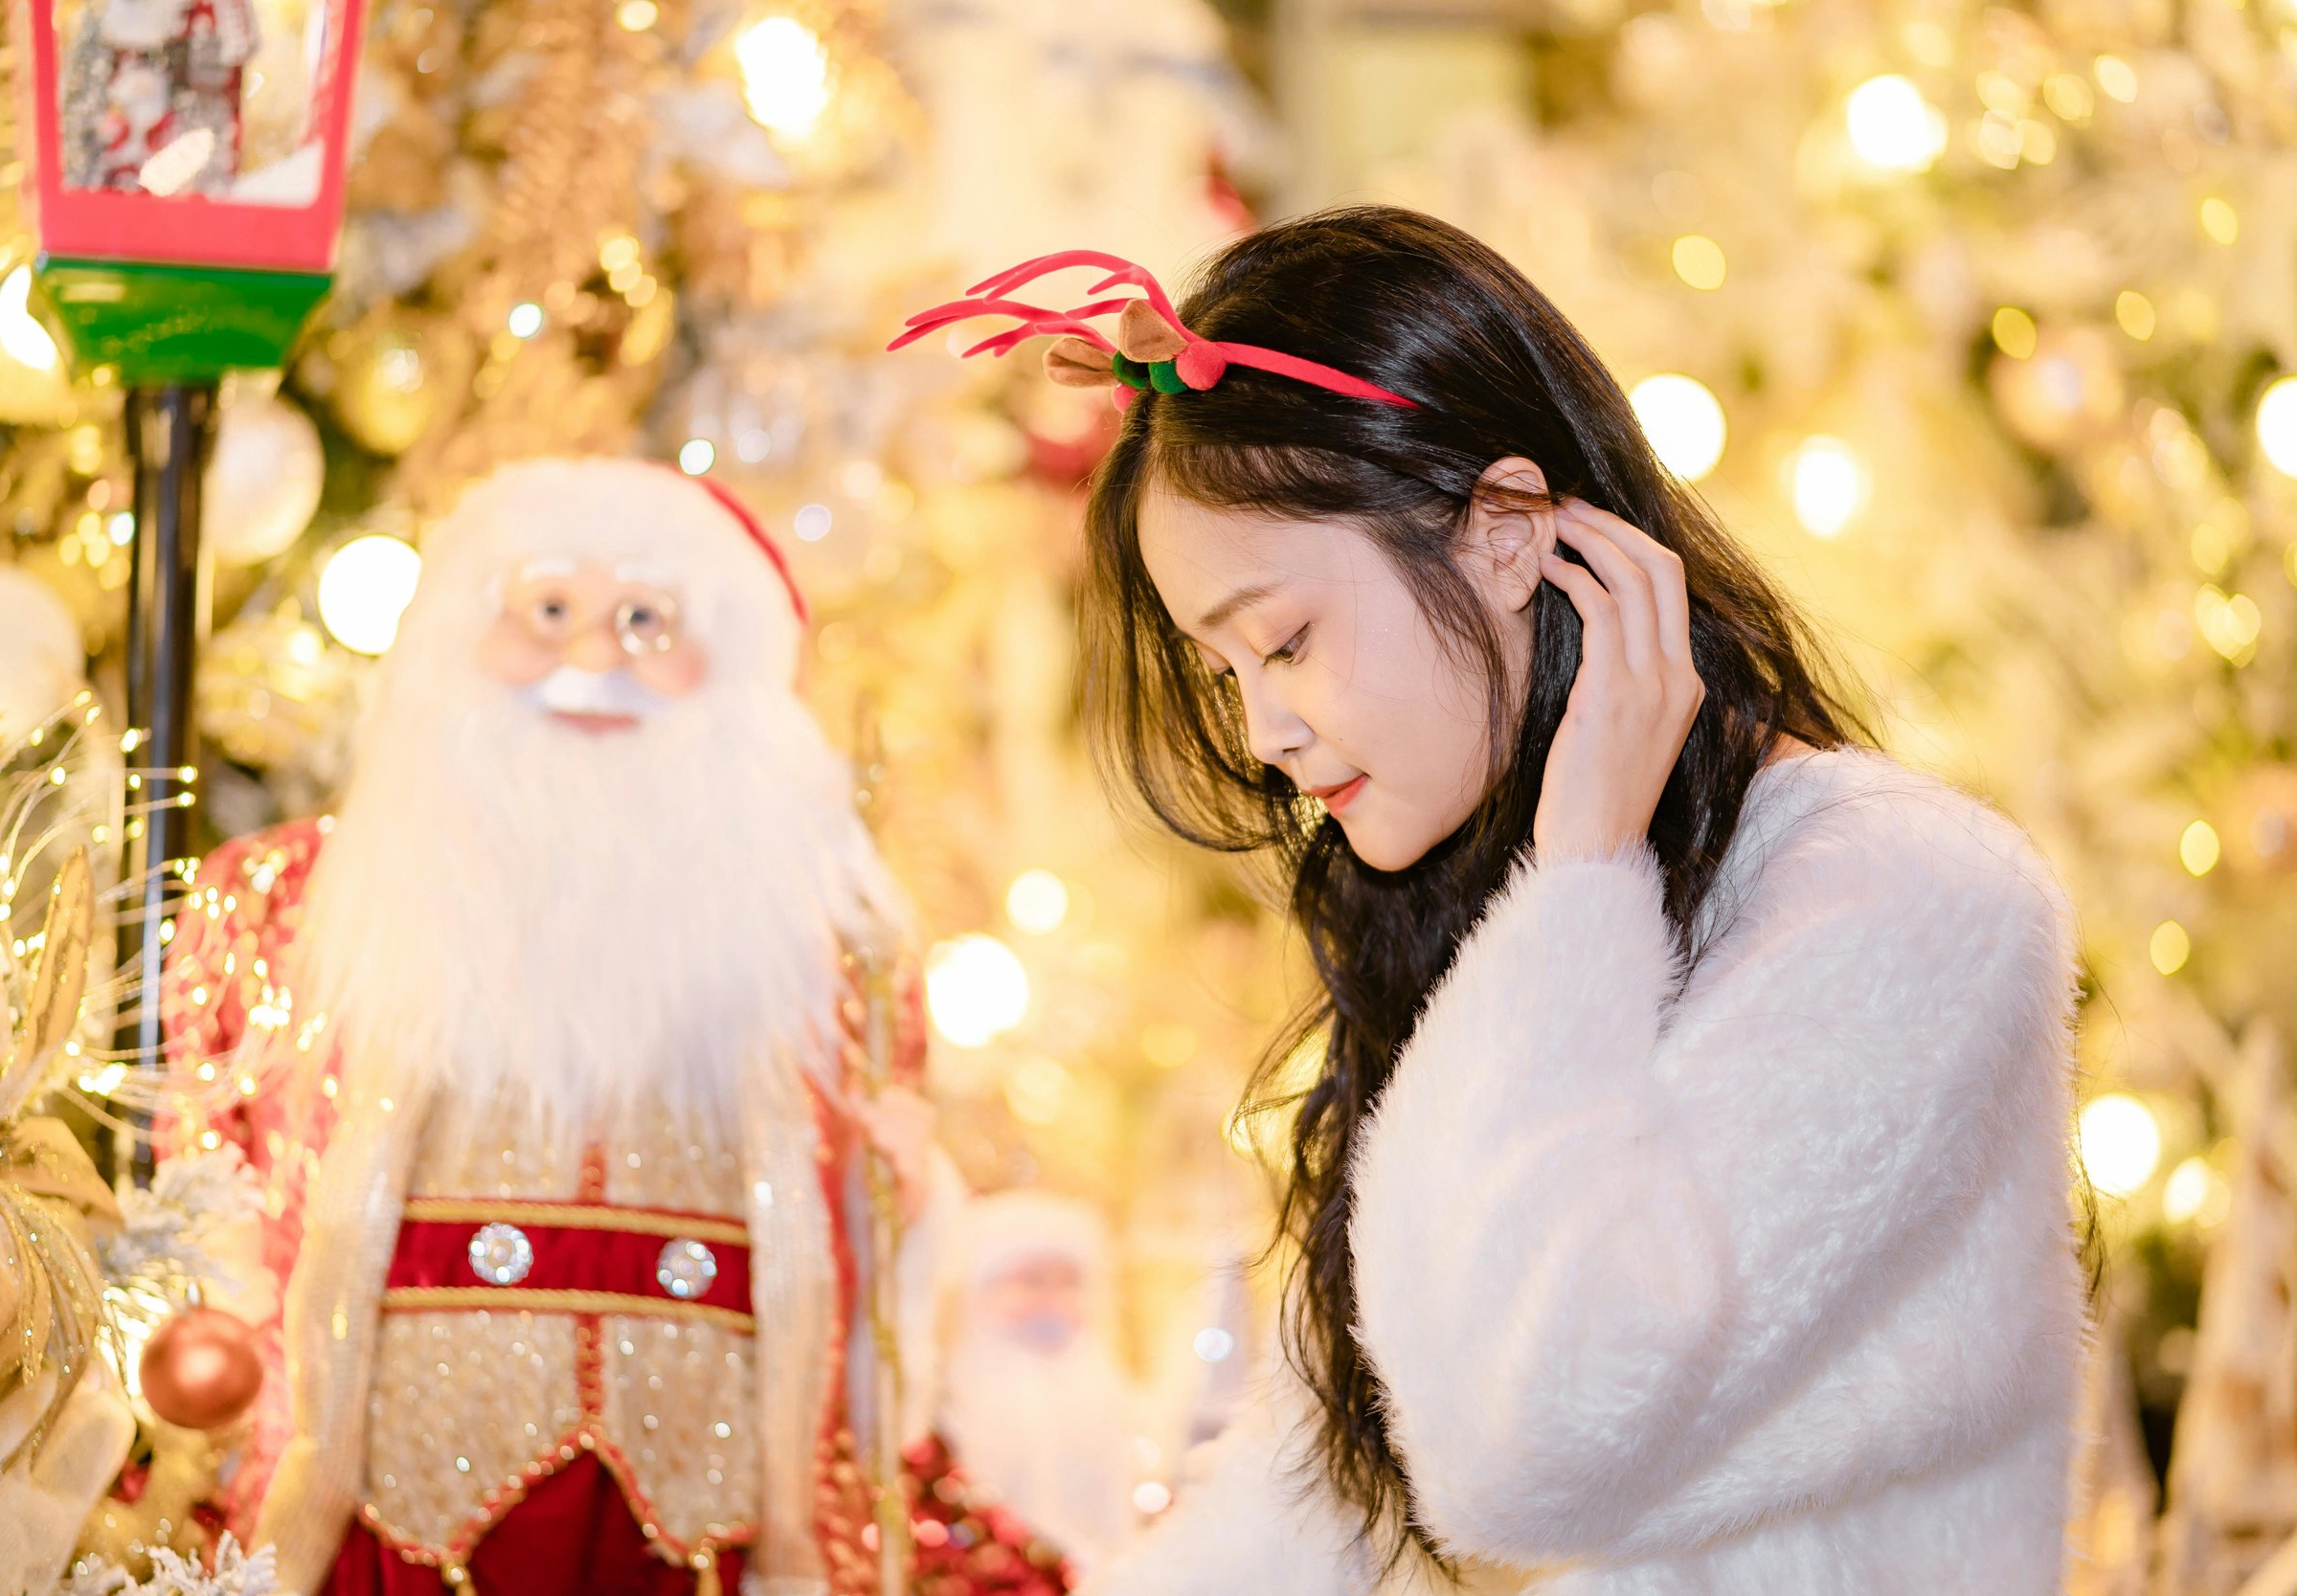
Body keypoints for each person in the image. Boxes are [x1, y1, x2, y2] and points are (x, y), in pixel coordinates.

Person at [892, 209, 2085, 1592]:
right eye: (1226, 670)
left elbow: (1520, 1455)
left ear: (1509, 532)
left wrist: (1580, 873)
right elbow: (1317, 1492)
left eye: (1285, 638)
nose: (1267, 727)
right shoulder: (1488, 907)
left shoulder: (1910, 898)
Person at [162, 459, 1065, 1596]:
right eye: (547, 611)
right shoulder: (302, 899)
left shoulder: (827, 951)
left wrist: (907, 1198)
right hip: (391, 1487)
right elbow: (215, 1188)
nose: (591, 661)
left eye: (645, 620)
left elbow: (861, 1243)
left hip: (708, 1494)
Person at [936, 1191, 1140, 1570]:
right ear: (982, 1290)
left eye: (1070, 1283)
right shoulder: (956, 1397)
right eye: (1031, 1281)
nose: (1053, 1299)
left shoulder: (1104, 1393)